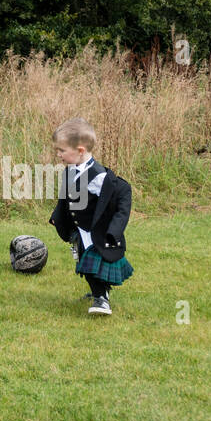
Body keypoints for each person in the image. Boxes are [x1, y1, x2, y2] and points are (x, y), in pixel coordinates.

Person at [48, 118, 133, 315]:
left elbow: (123, 193)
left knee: (92, 265)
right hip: (81, 230)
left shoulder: (100, 177)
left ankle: (102, 299)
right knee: (84, 263)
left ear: (80, 150)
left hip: (97, 232)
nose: (58, 155)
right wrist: (57, 217)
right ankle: (97, 292)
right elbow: (65, 199)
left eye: (61, 151)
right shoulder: (69, 172)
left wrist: (114, 229)